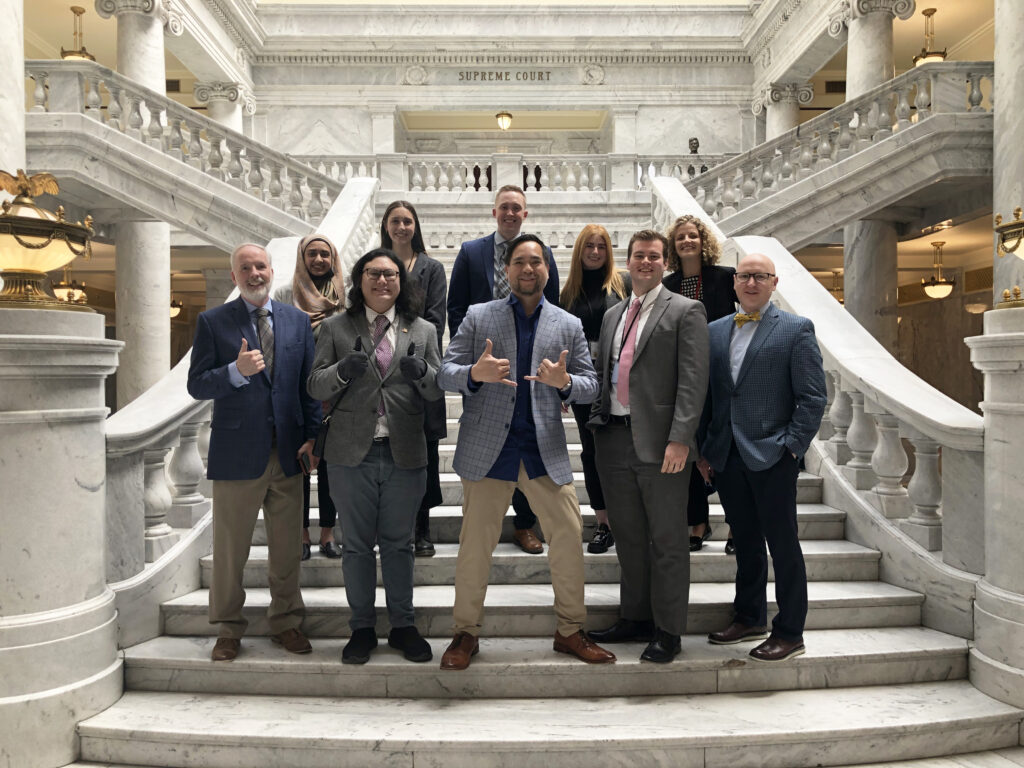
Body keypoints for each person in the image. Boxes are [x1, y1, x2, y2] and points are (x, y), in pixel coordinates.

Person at [436, 234, 615, 671]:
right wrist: (474, 375)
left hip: (543, 449)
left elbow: (592, 384)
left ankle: (570, 629)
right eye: (519, 261)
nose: (528, 269)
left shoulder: (567, 323)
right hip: (488, 450)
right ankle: (465, 633)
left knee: (570, 538)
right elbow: (445, 372)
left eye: (536, 261)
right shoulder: (479, 317)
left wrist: (566, 384)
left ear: (548, 270)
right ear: (507, 271)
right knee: (475, 547)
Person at [307, 248, 443, 665]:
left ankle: (403, 626)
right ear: (359, 279)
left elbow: (438, 388)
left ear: (402, 283)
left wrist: (423, 376)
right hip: (351, 454)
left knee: (400, 545)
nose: (382, 281)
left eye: (390, 274)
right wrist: (342, 371)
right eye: (373, 273)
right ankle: (361, 628)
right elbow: (315, 385)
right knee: (357, 547)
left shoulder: (423, 330)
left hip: (405, 450)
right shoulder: (335, 326)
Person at [186, 243, 320, 662]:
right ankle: (228, 628)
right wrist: (234, 372)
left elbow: (309, 385)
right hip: (236, 454)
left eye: (260, 266)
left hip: (288, 453)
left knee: (285, 548)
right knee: (230, 551)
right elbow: (197, 384)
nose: (254, 273)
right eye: (245, 268)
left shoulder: (298, 322)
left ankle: (286, 622)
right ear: (234, 276)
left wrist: (314, 437)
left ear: (271, 269)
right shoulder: (213, 322)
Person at [587, 229, 709, 663]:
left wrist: (681, 439)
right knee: (630, 540)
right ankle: (635, 617)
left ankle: (668, 630)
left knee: (668, 540)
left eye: (654, 257)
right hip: (614, 441)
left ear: (665, 262)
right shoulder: (612, 314)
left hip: (662, 447)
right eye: (638, 256)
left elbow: (693, 383)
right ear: (628, 260)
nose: (645, 263)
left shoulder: (686, 311)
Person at [699, 252, 826, 663]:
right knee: (746, 542)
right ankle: (749, 615)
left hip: (773, 454)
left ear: (773, 283)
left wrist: (792, 447)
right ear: (734, 283)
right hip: (728, 455)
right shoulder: (716, 331)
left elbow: (813, 397)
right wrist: (707, 449)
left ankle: (790, 630)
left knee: (783, 544)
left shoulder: (795, 329)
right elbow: (710, 397)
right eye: (744, 276)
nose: (751, 283)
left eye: (760, 276)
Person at [446, 184, 561, 555]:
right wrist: (474, 367)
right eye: (504, 207)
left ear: (525, 214)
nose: (510, 213)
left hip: (530, 368)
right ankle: (481, 517)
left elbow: (554, 308)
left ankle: (525, 525)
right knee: (485, 442)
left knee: (529, 446)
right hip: (486, 371)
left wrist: (557, 379)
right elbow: (456, 307)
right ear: (494, 212)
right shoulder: (470, 252)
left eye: (517, 208)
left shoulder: (540, 255)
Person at [662, 214, 737, 553]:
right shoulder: (669, 284)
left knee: (726, 449)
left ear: (702, 240)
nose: (687, 241)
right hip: (686, 375)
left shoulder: (724, 278)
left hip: (722, 371)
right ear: (673, 245)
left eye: (692, 236)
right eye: (680, 238)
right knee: (691, 450)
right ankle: (699, 523)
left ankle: (738, 527)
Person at [380, 200, 447, 558]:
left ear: (415, 226)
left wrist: (408, 350)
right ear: (386, 225)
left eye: (407, 221)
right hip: (380, 373)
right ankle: (393, 529)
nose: (402, 227)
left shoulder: (432, 268)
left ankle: (422, 529)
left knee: (425, 457)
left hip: (419, 372)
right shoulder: (376, 263)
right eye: (395, 221)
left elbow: (436, 321)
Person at [559, 224, 630, 554]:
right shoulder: (568, 293)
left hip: (619, 381)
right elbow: (560, 342)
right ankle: (604, 523)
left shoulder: (622, 284)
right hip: (583, 383)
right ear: (580, 250)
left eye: (602, 246)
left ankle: (627, 518)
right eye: (589, 245)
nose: (596, 251)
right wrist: (563, 388)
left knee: (619, 449)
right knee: (591, 451)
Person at [273, 234, 345, 561]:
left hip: (334, 392)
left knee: (330, 466)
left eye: (324, 254)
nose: (318, 260)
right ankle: (300, 535)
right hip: (294, 392)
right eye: (312, 254)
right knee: (297, 466)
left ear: (333, 259)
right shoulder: (284, 295)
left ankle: (328, 533)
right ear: (302, 258)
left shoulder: (345, 297)